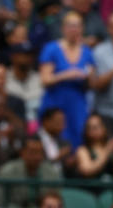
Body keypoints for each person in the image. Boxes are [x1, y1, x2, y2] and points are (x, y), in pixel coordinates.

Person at [38, 12, 94, 148]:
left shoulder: (87, 51)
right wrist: (66, 75)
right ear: (63, 28)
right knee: (54, 141)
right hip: (56, 102)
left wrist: (88, 77)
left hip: (77, 103)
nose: (74, 29)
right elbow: (45, 79)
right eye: (70, 26)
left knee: (77, 140)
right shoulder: (51, 48)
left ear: (82, 29)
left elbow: (93, 83)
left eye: (77, 26)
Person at [0, 137, 61, 208]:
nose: (37, 157)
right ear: (22, 153)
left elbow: (56, 201)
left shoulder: (51, 172)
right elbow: (1, 201)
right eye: (33, 152)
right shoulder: (7, 171)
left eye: (40, 153)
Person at [74, 113, 113, 179]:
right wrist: (107, 150)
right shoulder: (82, 150)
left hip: (112, 187)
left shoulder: (111, 148)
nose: (93, 131)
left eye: (96, 127)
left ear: (104, 128)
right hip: (92, 188)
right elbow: (87, 170)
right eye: (89, 128)